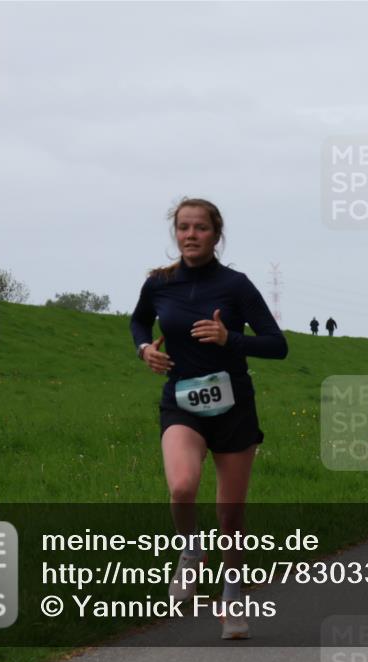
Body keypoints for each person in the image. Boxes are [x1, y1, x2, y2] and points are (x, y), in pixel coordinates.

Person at [130, 197, 288, 639]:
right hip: (181, 399)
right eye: (184, 227)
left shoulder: (235, 285)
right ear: (175, 233)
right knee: (181, 486)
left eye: (201, 228)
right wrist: (145, 349)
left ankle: (233, 595)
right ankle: (190, 552)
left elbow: (277, 344)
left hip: (234, 404)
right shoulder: (158, 284)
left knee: (230, 514)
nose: (191, 235)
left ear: (216, 235)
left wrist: (229, 337)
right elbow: (138, 323)